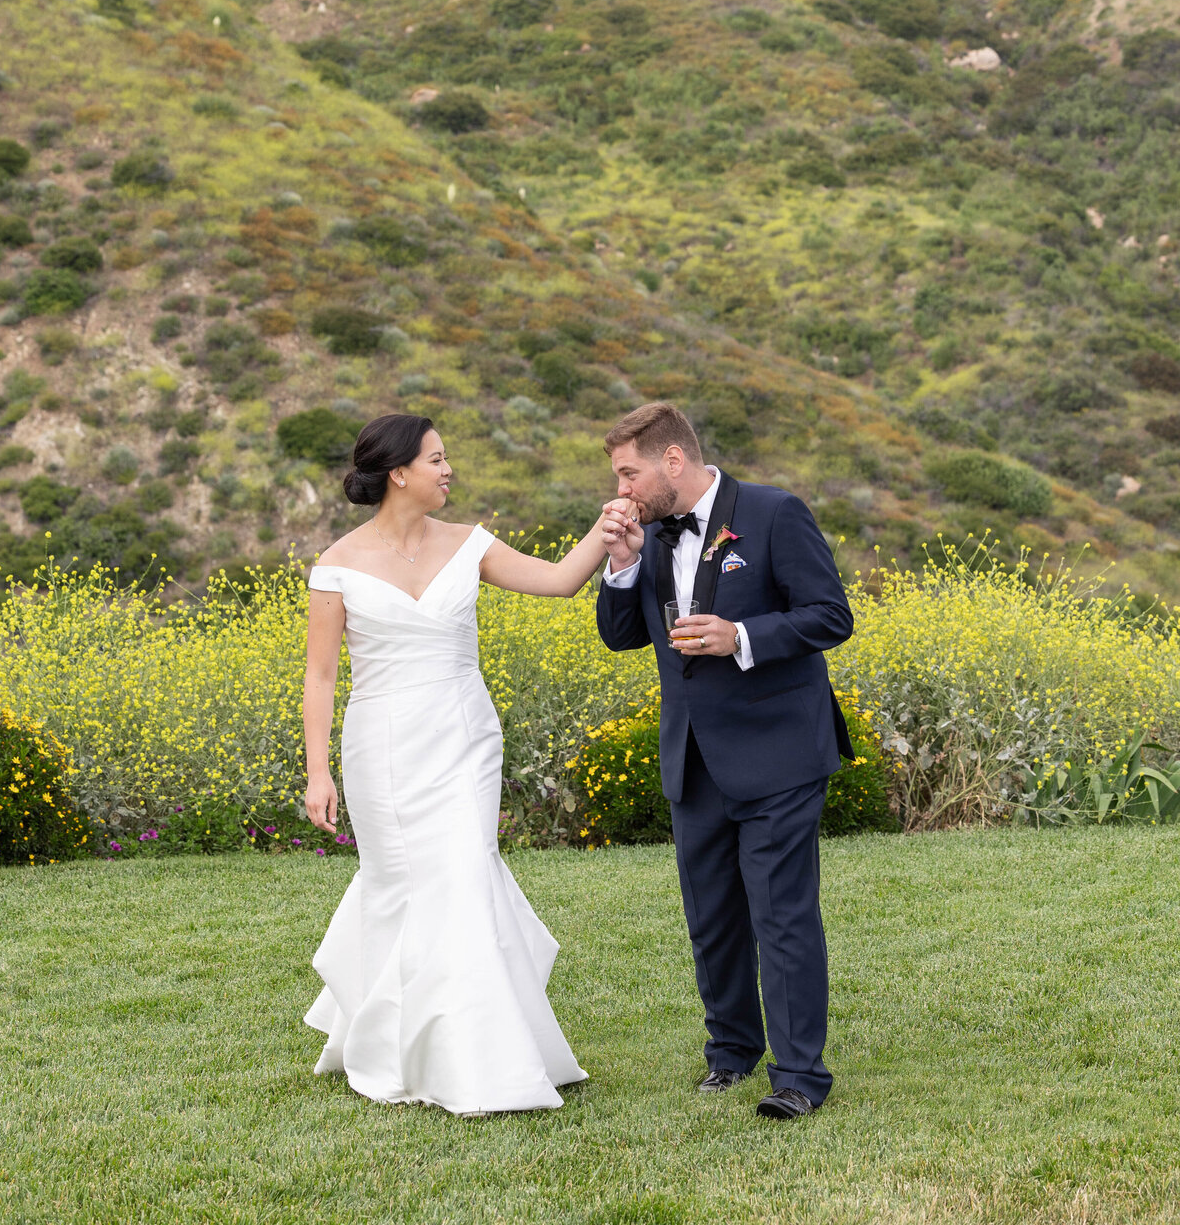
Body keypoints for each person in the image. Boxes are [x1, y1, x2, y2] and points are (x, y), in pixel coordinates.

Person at [302, 412, 607, 1115]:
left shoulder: (472, 544)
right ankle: (391, 1043)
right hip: (381, 746)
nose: (449, 471)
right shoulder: (338, 564)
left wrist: (606, 525)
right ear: (398, 472)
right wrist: (319, 773)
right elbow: (320, 677)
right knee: (399, 886)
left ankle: (479, 1058)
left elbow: (560, 581)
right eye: (437, 460)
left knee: (466, 878)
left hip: (465, 739)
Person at [596, 402, 854, 1121]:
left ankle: (799, 1076)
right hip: (694, 759)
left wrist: (740, 634)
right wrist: (620, 566)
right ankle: (731, 1052)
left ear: (671, 460)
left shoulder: (774, 513)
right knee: (711, 918)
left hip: (779, 752)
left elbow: (831, 615)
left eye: (628, 472)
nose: (621, 490)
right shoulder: (644, 535)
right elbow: (621, 637)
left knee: (782, 916)